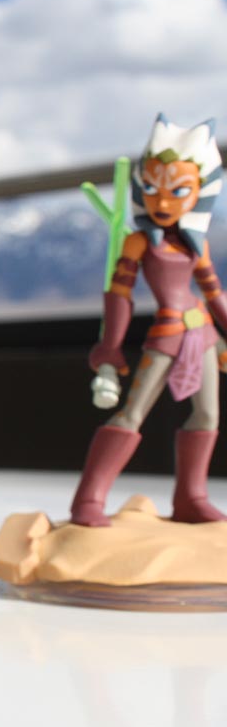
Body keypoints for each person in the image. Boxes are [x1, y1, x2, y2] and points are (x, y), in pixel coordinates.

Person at [71, 114, 226, 526]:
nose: (163, 202)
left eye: (178, 191)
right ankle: (89, 498)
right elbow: (120, 294)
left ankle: (191, 497)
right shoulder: (139, 241)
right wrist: (110, 346)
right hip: (166, 333)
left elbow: (214, 292)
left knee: (207, 415)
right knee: (131, 413)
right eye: (153, 189)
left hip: (202, 333)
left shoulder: (196, 243)